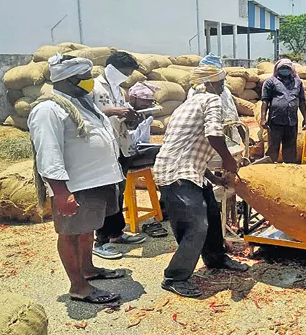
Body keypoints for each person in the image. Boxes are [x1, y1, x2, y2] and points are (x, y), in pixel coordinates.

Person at [28, 54, 126, 304]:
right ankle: (79, 288)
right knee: (70, 234)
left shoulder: (82, 102)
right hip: (75, 185)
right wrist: (61, 192)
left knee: (87, 230)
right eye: (86, 78)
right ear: (71, 80)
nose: (90, 82)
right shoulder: (48, 109)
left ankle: (88, 269)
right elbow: (48, 153)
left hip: (96, 181)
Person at [153, 64, 248, 298]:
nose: (223, 85)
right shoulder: (211, 100)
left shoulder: (188, 104)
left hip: (190, 168)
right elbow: (213, 134)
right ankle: (175, 277)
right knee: (196, 224)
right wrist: (228, 160)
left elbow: (190, 147)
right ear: (211, 83)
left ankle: (216, 258)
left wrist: (211, 176)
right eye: (221, 81)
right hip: (177, 172)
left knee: (213, 216)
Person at [91, 51, 147, 260]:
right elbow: (88, 115)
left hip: (121, 146)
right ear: (112, 68)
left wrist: (132, 117)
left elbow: (121, 117)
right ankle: (100, 240)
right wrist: (114, 112)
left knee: (119, 192)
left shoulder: (119, 90)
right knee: (107, 194)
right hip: (104, 147)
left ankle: (116, 233)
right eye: (124, 72)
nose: (126, 76)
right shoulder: (94, 88)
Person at [260, 59, 306, 163]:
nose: (285, 70)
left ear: (292, 70)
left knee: (290, 148)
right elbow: (265, 101)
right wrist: (263, 118)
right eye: (282, 68)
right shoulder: (270, 82)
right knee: (273, 147)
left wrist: (305, 118)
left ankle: (289, 170)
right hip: (275, 121)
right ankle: (269, 170)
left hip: (292, 122)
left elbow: (302, 101)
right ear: (277, 69)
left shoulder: (298, 83)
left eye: (287, 68)